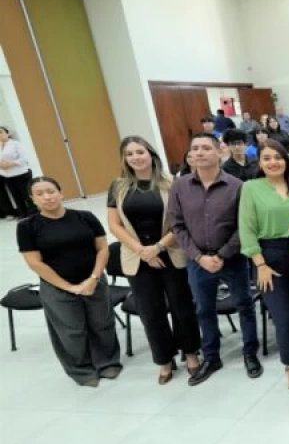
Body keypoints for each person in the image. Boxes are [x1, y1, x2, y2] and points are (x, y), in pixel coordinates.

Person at [168, 132, 262, 385]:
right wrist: (199, 257)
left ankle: (250, 352)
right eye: (195, 148)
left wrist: (221, 255)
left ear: (219, 152)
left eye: (205, 148)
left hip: (231, 259)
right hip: (197, 261)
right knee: (204, 309)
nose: (199, 153)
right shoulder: (179, 186)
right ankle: (211, 356)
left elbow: (244, 226)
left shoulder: (236, 186)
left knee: (244, 305)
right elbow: (176, 226)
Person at [107, 136, 201, 384]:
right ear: (124, 159)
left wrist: (158, 247)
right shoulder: (118, 187)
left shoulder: (173, 183)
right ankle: (164, 359)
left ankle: (190, 353)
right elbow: (114, 225)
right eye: (129, 154)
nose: (135, 157)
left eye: (140, 152)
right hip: (138, 258)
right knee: (151, 311)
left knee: (182, 307)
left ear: (151, 154)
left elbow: (182, 223)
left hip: (170, 252)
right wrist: (142, 251)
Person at [17, 176, 121, 387]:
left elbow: (102, 248)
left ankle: (108, 362)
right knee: (71, 331)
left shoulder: (85, 217)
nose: (47, 197)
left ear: (61, 192)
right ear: (32, 199)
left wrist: (93, 278)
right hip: (58, 287)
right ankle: (81, 369)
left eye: (51, 191)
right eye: (40, 194)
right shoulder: (28, 227)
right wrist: (69, 287)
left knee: (102, 324)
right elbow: (35, 263)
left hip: (93, 280)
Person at [240, 140, 289, 393]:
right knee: (284, 316)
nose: (273, 162)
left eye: (278, 157)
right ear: (259, 162)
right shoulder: (251, 188)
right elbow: (246, 228)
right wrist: (259, 263)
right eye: (267, 158)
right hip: (269, 257)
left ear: (287, 160)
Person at [0, 126, 34, 219]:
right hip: (7, 175)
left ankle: (33, 213)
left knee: (26, 195)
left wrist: (12, 163)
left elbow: (24, 158)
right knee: (16, 196)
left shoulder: (16, 144)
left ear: (7, 133)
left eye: (1, 132)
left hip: (21, 174)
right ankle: (22, 214)